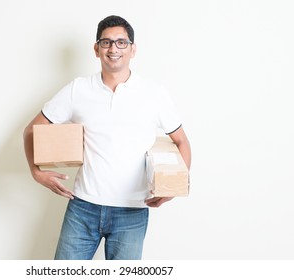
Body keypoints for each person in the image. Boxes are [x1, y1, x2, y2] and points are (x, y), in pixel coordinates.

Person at [23, 15, 191, 260]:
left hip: (132, 211)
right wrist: (36, 172)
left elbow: (182, 141)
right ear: (96, 49)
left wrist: (174, 187)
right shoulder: (78, 89)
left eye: (122, 42)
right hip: (82, 207)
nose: (114, 49)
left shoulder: (154, 94)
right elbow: (31, 130)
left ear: (133, 49)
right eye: (106, 42)